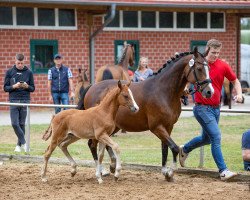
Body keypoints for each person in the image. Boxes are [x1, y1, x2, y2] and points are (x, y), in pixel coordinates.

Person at [179, 39, 243, 181]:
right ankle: (223, 171)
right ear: (207, 49)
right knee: (216, 136)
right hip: (201, 108)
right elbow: (189, 78)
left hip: (216, 109)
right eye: (213, 52)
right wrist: (186, 88)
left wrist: (239, 94)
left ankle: (185, 149)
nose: (215, 55)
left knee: (206, 139)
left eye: (218, 52)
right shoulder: (200, 63)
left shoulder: (223, 65)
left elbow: (235, 81)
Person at [3, 53, 35, 152]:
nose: (20, 65)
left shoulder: (29, 72)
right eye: (18, 63)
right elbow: (5, 88)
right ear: (15, 61)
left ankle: (18, 145)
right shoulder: (9, 72)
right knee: (14, 123)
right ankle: (25, 143)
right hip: (13, 100)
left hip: (25, 100)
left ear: (24, 62)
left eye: (21, 63)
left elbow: (33, 88)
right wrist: (14, 86)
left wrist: (27, 86)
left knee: (21, 124)